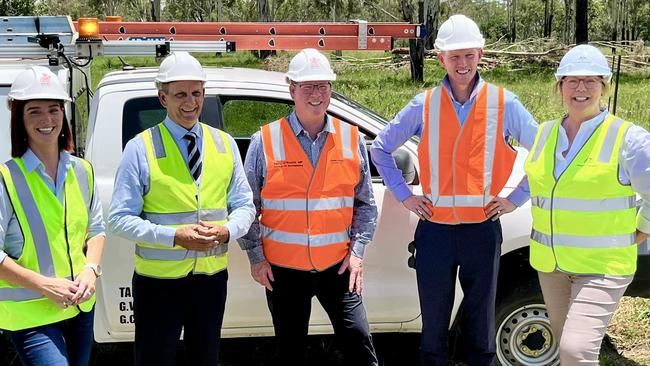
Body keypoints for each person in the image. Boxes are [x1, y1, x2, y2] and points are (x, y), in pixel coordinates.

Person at [370, 14, 540, 366]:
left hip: (482, 230)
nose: (462, 64)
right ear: (440, 59)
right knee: (433, 331)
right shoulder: (424, 103)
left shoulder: (504, 104)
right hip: (435, 232)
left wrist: (515, 200)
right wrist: (405, 195)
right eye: (454, 56)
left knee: (480, 328)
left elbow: (544, 153)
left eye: (468, 55)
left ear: (480, 54)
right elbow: (380, 149)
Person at [107, 51, 255, 366]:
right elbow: (119, 219)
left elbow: (244, 204)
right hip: (159, 283)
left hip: (211, 280)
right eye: (180, 94)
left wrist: (227, 230)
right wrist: (175, 237)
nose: (190, 102)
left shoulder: (224, 144)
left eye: (196, 93)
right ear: (163, 98)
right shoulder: (140, 148)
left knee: (206, 359)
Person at [240, 48, 379, 366]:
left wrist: (357, 253)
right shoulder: (265, 141)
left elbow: (365, 205)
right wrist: (256, 258)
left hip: (338, 268)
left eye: (323, 86)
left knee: (359, 344)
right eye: (307, 87)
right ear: (292, 89)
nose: (316, 94)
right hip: (284, 272)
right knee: (290, 351)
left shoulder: (351, 138)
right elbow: (247, 206)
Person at [524, 44, 650, 365]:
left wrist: (642, 229)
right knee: (566, 349)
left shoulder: (628, 139)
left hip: (601, 266)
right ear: (560, 86)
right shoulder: (544, 134)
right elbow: (537, 187)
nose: (581, 89)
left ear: (604, 85)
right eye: (572, 81)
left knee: (575, 350)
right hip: (551, 265)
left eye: (590, 80)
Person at [0, 66, 105, 366]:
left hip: (80, 309)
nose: (47, 120)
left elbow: (96, 230)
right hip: (31, 315)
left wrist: (91, 270)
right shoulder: (6, 179)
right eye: (34, 111)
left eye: (54, 110)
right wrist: (45, 285)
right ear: (19, 117)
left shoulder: (82, 171)